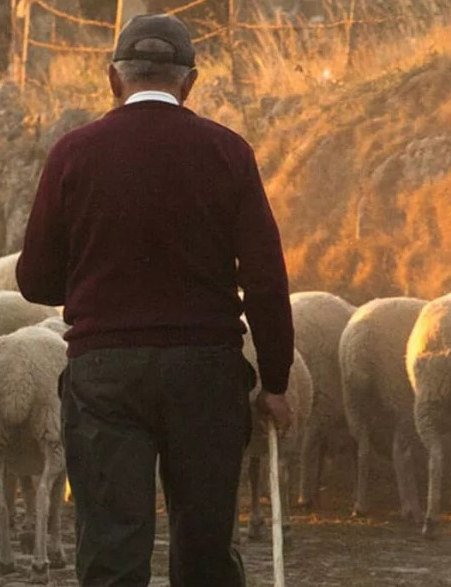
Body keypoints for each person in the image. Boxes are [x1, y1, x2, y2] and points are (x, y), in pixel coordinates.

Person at [15, 13, 295, 587]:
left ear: (113, 78)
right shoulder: (228, 152)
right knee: (205, 548)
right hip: (206, 372)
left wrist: (101, 287)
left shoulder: (73, 153)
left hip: (105, 371)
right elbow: (266, 278)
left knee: (112, 547)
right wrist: (276, 380)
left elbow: (35, 280)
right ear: (190, 81)